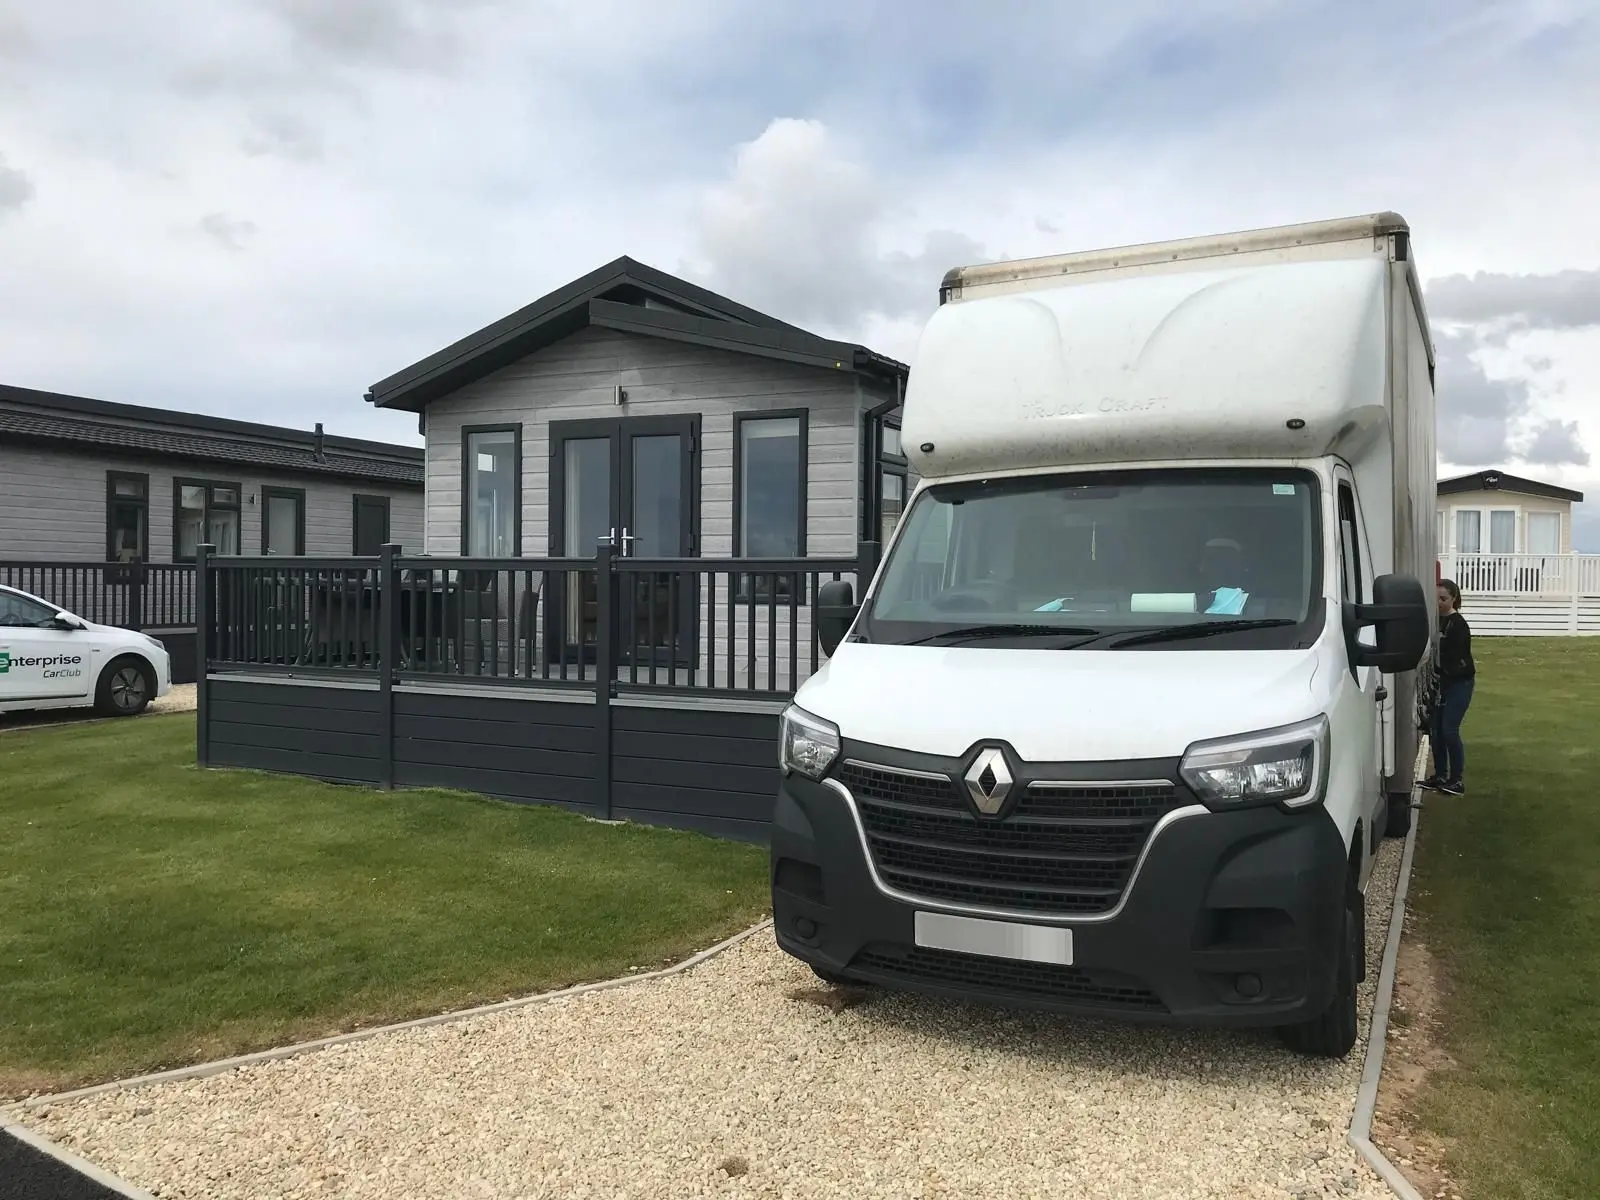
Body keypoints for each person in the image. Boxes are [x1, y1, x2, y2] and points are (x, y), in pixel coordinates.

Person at [1423, 578, 1474, 795]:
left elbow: (1457, 658)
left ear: (1453, 598)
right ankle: (1440, 775)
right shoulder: (1435, 621)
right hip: (1441, 682)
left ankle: (1457, 780)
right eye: (1436, 599)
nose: (1440, 603)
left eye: (1443, 599)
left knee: (1449, 730)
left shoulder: (1458, 624)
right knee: (1436, 731)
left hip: (1458, 683)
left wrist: (1443, 671)